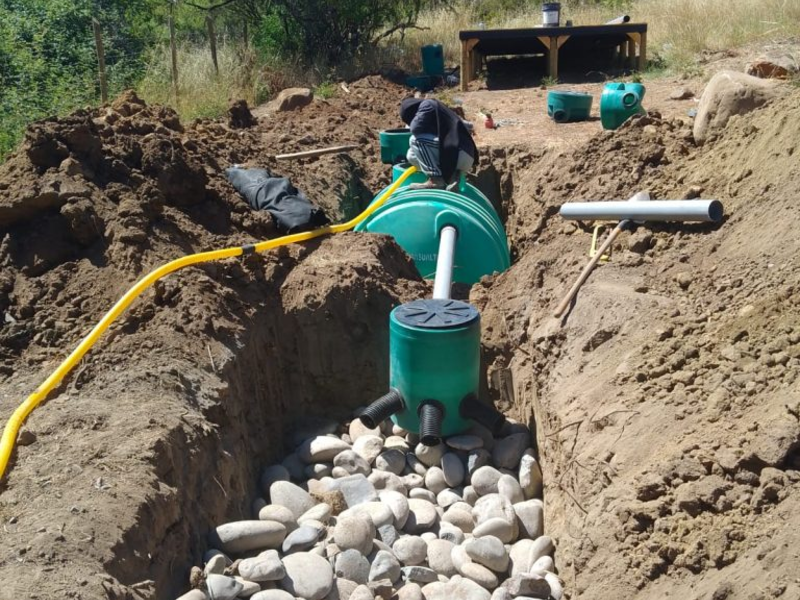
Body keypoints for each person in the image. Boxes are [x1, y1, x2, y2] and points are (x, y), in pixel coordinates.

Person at [399, 98, 477, 191]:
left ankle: (435, 180)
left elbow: (415, 128)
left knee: (415, 140)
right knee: (411, 154)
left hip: (460, 152)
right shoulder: (436, 108)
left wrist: (411, 124)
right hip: (461, 156)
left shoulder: (427, 105)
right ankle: (453, 176)